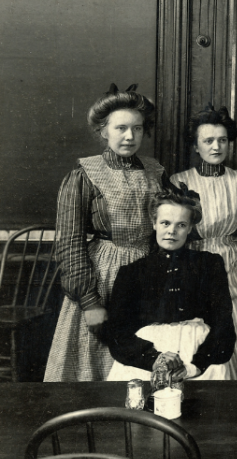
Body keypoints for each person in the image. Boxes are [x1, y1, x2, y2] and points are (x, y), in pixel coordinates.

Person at [45, 84, 168, 383]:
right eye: (121, 128)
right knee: (95, 364)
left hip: (146, 277)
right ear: (103, 130)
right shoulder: (84, 174)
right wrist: (89, 302)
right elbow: (70, 244)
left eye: (137, 129)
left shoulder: (157, 172)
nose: (130, 136)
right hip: (101, 278)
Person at [105, 188, 236, 382]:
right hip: (144, 357)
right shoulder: (131, 272)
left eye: (181, 224)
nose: (172, 231)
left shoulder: (209, 264)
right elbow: (118, 334)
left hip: (198, 353)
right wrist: (154, 360)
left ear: (190, 227)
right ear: (154, 223)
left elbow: (223, 325)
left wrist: (196, 366)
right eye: (165, 223)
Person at [170, 105, 237, 380]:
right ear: (196, 146)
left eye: (222, 140)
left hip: (233, 261)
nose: (216, 146)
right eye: (208, 141)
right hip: (192, 261)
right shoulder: (179, 181)